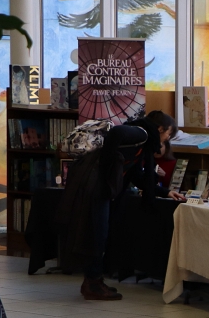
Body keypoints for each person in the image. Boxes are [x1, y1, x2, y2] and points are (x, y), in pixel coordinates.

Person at [56, 123, 162, 300]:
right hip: (94, 185)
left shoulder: (139, 147)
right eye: (167, 136)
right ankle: (92, 283)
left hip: (96, 185)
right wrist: (107, 165)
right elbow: (117, 132)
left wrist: (165, 192)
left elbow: (137, 177)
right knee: (97, 233)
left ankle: (94, 280)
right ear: (161, 130)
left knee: (99, 233)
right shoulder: (141, 133)